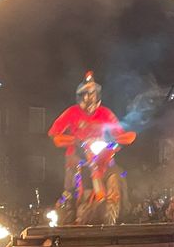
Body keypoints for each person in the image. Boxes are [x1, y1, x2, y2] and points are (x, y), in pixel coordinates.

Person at [47, 72, 135, 217]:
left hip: (99, 153)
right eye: (86, 94)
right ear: (80, 96)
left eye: (92, 93)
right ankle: (69, 203)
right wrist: (72, 140)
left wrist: (120, 139)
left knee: (119, 172)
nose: (89, 97)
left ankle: (124, 205)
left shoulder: (105, 113)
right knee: (71, 181)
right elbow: (54, 133)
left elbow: (118, 131)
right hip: (77, 153)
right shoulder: (72, 112)